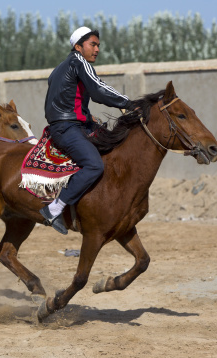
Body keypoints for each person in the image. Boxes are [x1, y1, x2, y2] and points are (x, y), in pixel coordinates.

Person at [40, 26, 135, 235]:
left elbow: (67, 99)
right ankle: (54, 209)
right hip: (68, 127)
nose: (97, 49)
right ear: (78, 46)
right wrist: (129, 103)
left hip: (72, 124)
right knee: (94, 165)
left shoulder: (59, 68)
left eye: (98, 45)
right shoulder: (78, 61)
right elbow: (99, 89)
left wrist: (87, 116)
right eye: (92, 44)